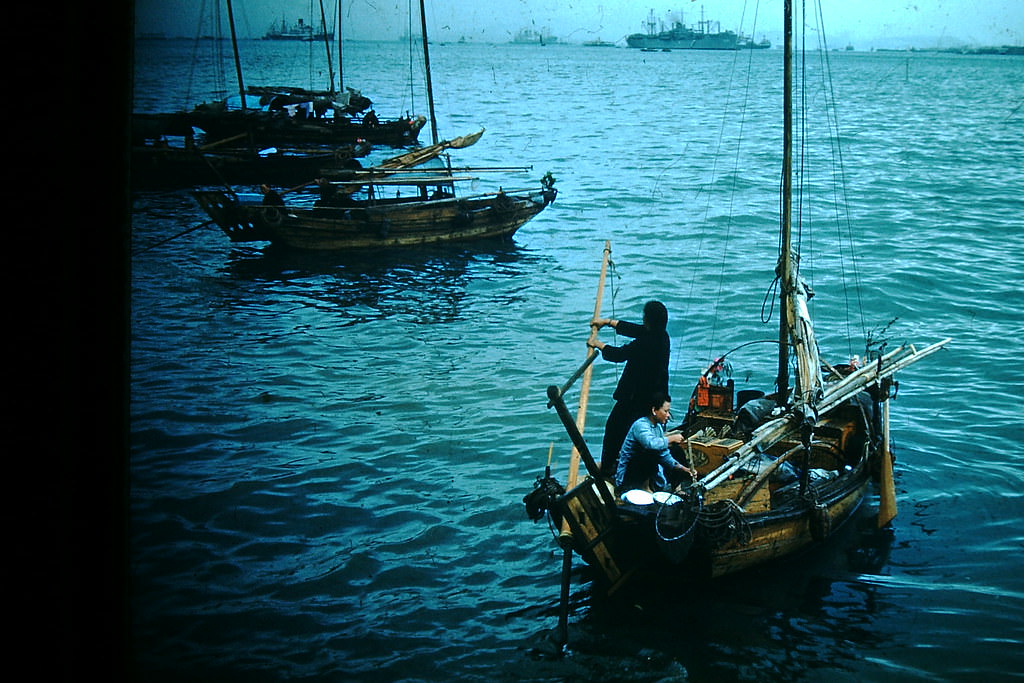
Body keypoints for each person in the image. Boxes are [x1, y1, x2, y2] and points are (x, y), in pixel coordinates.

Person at [588, 300, 671, 478]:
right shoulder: (662, 336)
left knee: (614, 429)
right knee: (643, 432)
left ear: (648, 320)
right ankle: (625, 466)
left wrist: (597, 344)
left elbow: (619, 355)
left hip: (636, 397)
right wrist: (608, 322)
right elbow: (636, 330)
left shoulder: (646, 343)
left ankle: (608, 467)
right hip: (656, 396)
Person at [615, 392, 696, 494]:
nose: (668, 415)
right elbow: (651, 444)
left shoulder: (658, 427)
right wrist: (671, 438)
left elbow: (664, 455)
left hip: (647, 471)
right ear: (654, 410)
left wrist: (684, 469)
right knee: (649, 452)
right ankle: (644, 488)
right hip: (630, 474)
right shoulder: (640, 425)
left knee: (676, 450)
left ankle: (677, 487)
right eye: (665, 411)